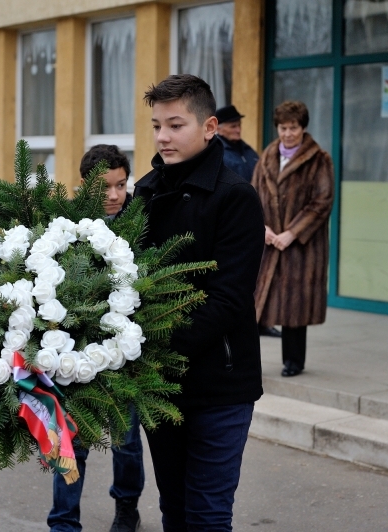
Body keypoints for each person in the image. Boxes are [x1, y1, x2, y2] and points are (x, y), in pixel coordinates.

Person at [134, 74, 264, 531]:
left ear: (210, 127)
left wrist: (153, 344)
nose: (163, 137)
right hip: (159, 385)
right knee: (174, 509)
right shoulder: (145, 192)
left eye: (175, 125)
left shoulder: (234, 197)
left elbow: (228, 299)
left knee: (207, 515)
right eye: (156, 126)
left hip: (219, 384)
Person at [47, 144, 145, 532]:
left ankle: (127, 505)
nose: (114, 195)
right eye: (104, 187)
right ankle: (64, 521)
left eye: (121, 185)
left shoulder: (138, 221)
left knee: (126, 440)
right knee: (70, 440)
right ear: (84, 185)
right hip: (74, 353)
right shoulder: (65, 227)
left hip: (124, 353)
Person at [251, 101, 334, 378]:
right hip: (270, 241)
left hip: (302, 247)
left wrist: (293, 233)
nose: (288, 133)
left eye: (294, 128)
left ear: (303, 127)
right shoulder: (267, 157)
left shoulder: (319, 159)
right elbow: (252, 197)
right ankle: (250, 361)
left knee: (295, 306)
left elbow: (322, 202)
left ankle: (294, 361)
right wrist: (262, 227)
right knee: (261, 302)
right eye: (283, 128)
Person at [214, 104, 281, 339]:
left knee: (259, 274)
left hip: (257, 219)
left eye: (239, 124)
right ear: (219, 128)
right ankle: (246, 321)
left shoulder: (248, 151)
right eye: (233, 125)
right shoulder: (218, 152)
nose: (238, 129)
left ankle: (262, 320)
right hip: (235, 221)